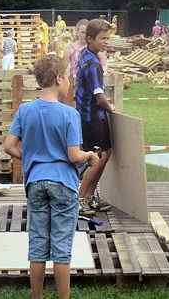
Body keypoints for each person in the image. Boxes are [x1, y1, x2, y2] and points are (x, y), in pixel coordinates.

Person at [3, 55, 99, 299]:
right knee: (61, 247)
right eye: (67, 78)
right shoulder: (69, 115)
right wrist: (89, 155)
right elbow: (73, 155)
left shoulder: (26, 110)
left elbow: (9, 145)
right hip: (63, 184)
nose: (69, 83)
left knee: (37, 244)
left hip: (35, 182)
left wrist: (31, 158)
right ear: (58, 78)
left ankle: (36, 296)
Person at [76, 19, 115, 212]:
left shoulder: (85, 54)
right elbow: (99, 97)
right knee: (97, 158)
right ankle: (80, 199)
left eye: (108, 38)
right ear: (90, 39)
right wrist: (112, 109)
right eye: (102, 38)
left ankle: (90, 197)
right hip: (92, 117)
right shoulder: (93, 64)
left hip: (88, 116)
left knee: (105, 155)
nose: (106, 42)